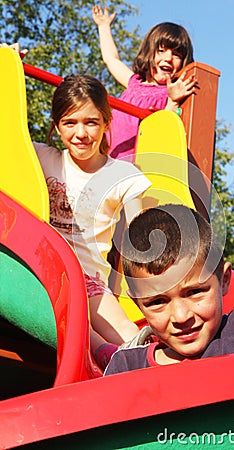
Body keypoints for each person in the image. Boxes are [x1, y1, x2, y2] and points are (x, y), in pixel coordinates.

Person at [1, 38, 152, 346]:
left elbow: (141, 234)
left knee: (127, 333)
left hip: (89, 279)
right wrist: (8, 69)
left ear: (106, 123)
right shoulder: (41, 158)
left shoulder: (124, 176)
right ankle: (100, 353)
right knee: (80, 324)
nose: (80, 133)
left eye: (91, 123)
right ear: (57, 126)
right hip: (40, 270)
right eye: (70, 123)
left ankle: (137, 362)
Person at [101, 204, 234, 395]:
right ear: (138, 304)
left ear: (224, 280)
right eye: (157, 302)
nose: (181, 316)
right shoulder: (126, 367)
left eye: (195, 292)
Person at [92, 5, 197, 161]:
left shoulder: (169, 93)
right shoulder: (134, 83)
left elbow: (165, 127)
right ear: (148, 53)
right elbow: (111, 59)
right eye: (161, 51)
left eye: (176, 55)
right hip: (108, 158)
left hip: (138, 165)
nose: (168, 58)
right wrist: (103, 26)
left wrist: (173, 101)